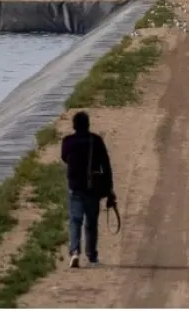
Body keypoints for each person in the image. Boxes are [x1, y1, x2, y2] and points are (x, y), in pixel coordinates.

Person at [60, 111, 116, 268]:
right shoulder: (96, 140)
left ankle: (75, 252)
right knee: (91, 223)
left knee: (75, 220)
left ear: (74, 125)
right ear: (88, 124)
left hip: (75, 187)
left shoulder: (68, 141)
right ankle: (92, 257)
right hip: (93, 188)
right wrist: (110, 188)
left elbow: (64, 158)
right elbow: (106, 166)